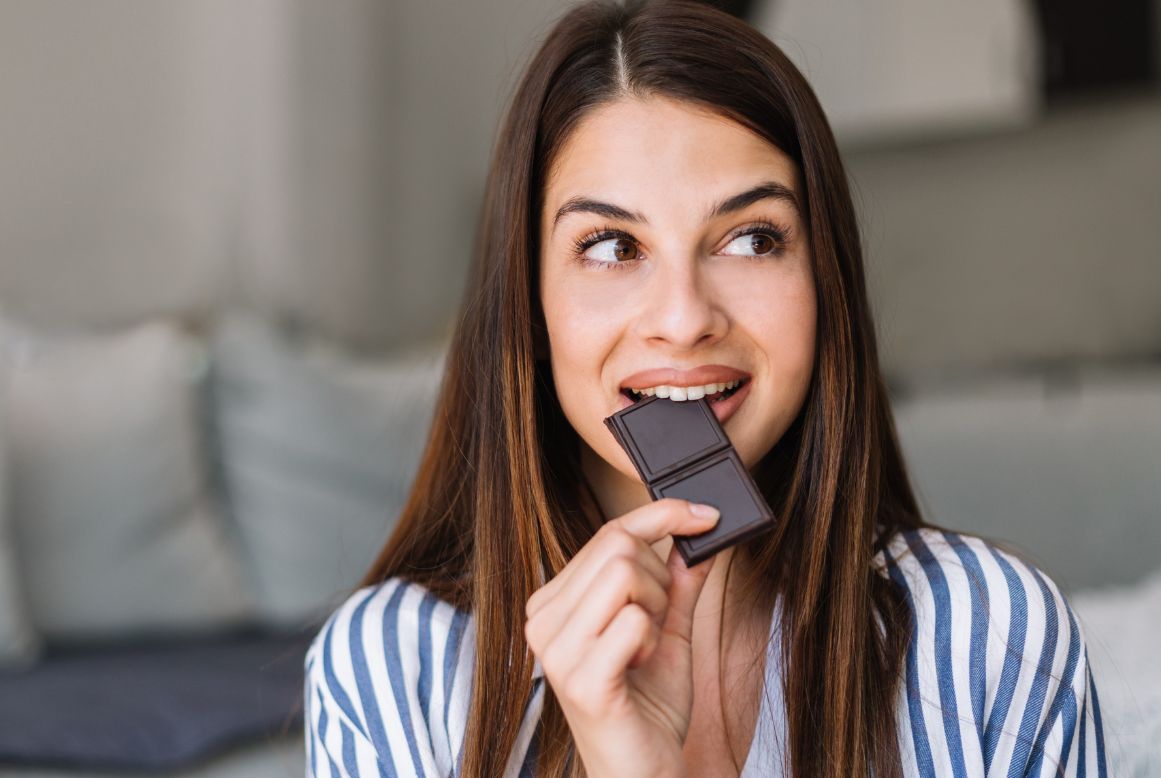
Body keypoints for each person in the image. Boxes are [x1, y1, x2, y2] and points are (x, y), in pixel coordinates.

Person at [301, 1, 1109, 775]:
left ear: (826, 282)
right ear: (529, 307)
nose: (684, 319)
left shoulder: (994, 637)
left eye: (753, 239)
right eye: (613, 246)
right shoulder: (392, 673)